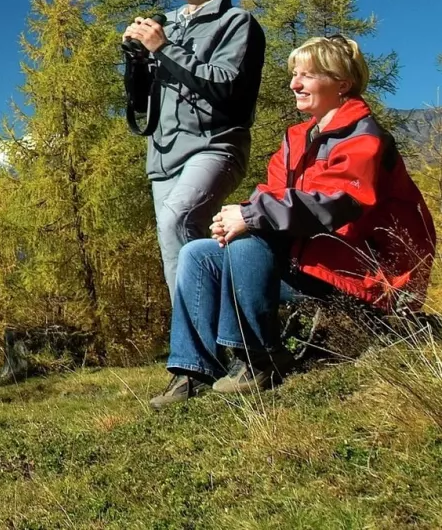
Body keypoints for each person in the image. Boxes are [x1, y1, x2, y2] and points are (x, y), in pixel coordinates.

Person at [151, 35, 436, 408]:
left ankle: (258, 357)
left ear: (342, 83)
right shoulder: (297, 139)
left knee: (250, 237)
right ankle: (192, 370)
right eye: (294, 75)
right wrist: (234, 217)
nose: (294, 84)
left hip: (364, 274)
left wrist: (250, 218)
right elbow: (270, 195)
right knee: (198, 254)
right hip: (308, 265)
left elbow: (341, 203)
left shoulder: (363, 137)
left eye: (307, 75)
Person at [122, 0, 266, 298]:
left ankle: (220, 336)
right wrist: (136, 60)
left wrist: (164, 49)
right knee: (174, 252)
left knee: (178, 222)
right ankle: (200, 347)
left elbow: (226, 84)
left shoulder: (236, 23)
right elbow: (141, 104)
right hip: (164, 153)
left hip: (215, 145)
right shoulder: (163, 24)